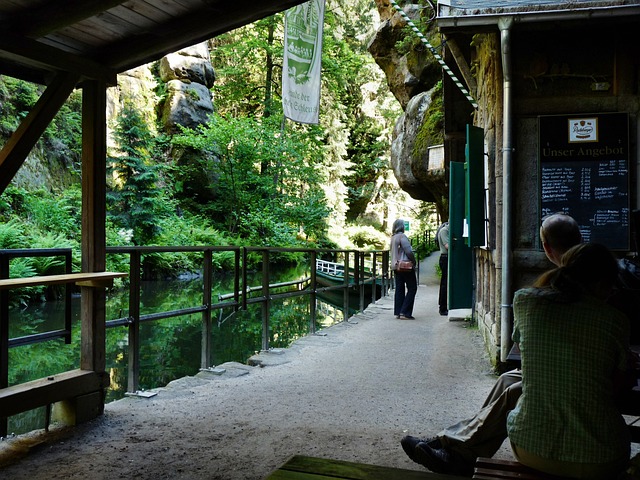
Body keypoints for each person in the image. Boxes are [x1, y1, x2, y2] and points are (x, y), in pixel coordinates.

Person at [401, 212, 584, 476]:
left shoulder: (531, 299)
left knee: (514, 390)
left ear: (545, 248)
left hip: (570, 394)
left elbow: (523, 349)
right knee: (508, 380)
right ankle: (452, 444)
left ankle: (457, 450)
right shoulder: (612, 305)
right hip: (580, 382)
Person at [508, 243, 630, 479]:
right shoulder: (615, 320)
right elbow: (616, 387)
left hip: (528, 448)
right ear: (603, 283)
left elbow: (525, 349)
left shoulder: (525, 301)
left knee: (510, 385)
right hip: (600, 460)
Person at [390, 219, 417, 319]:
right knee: (412, 288)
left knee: (399, 289)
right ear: (402, 227)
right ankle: (405, 312)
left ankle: (398, 311)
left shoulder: (393, 238)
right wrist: (413, 262)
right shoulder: (402, 237)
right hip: (405, 266)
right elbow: (408, 251)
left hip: (395, 266)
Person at [436, 221, 450, 316]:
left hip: (445, 258)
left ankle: (443, 306)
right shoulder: (444, 231)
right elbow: (447, 246)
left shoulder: (445, 230)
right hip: (445, 258)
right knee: (444, 283)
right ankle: (442, 307)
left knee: (445, 282)